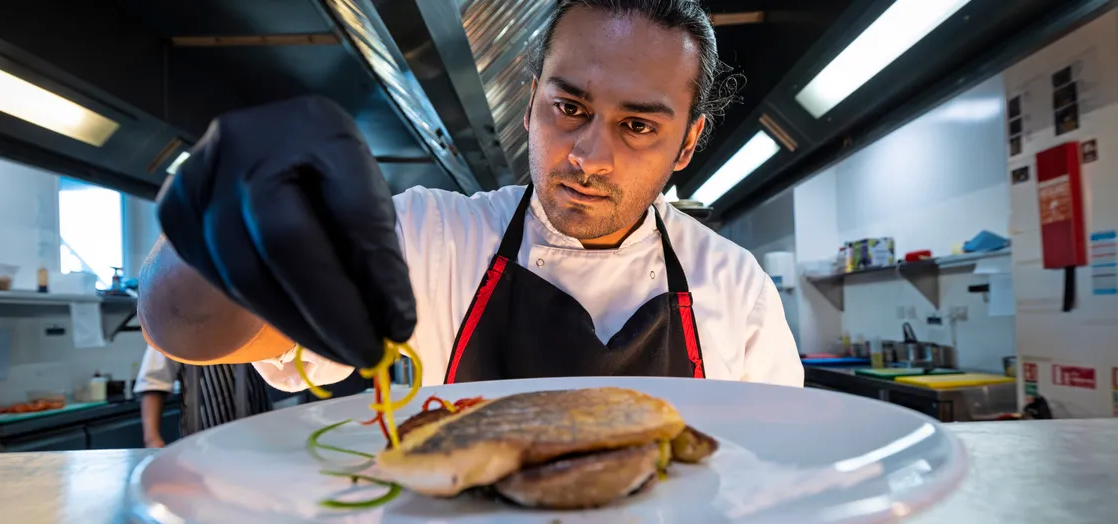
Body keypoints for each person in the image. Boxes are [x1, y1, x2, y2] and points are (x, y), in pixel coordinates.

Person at [138, 0, 803, 391]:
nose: (588, 155)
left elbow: (767, 486)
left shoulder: (735, 288)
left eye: (637, 126)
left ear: (686, 145)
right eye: (568, 107)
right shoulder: (432, 237)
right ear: (530, 105)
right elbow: (190, 327)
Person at [133, 346, 274, 447]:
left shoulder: (253, 320)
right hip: (199, 445)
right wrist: (152, 439)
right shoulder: (176, 325)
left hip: (260, 442)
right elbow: (153, 385)